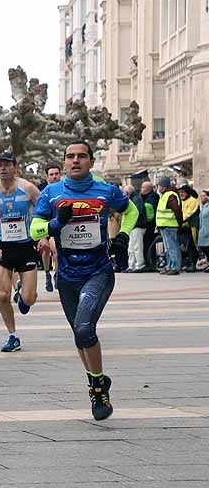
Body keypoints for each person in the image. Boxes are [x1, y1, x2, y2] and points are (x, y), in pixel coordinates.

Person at [31, 140, 138, 420]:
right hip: (66, 275)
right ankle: (97, 380)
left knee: (83, 328)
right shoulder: (51, 193)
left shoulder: (105, 190)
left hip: (98, 272)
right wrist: (55, 224)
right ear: (64, 162)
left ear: (91, 161)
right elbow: (35, 229)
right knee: (81, 336)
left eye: (81, 156)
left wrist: (123, 236)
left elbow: (131, 211)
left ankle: (98, 390)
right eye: (70, 156)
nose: (75, 160)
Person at [0, 152, 42, 353]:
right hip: (2, 246)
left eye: (6, 165)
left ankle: (23, 294)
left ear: (15, 167)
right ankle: (12, 336)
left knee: (29, 299)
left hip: (26, 246)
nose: (2, 168)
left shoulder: (27, 188)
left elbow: (43, 208)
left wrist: (43, 233)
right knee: (3, 295)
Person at [39, 164, 63, 290]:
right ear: (47, 177)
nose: (54, 177)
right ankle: (47, 273)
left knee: (56, 252)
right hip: (44, 225)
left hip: (58, 226)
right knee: (45, 250)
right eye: (51, 175)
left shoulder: (65, 189)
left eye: (56, 174)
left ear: (60, 174)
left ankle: (57, 274)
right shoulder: (42, 191)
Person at [155, 176, 183, 275]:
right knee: (168, 248)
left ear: (164, 186)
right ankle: (169, 266)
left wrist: (179, 223)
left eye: (160, 185)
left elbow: (177, 210)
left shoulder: (170, 195)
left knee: (172, 247)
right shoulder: (165, 195)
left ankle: (175, 267)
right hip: (165, 225)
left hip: (170, 226)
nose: (158, 187)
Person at [127, 180, 150, 272]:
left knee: (137, 246)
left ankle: (139, 265)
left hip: (138, 225)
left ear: (128, 192)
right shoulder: (133, 199)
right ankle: (131, 265)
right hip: (133, 226)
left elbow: (138, 212)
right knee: (131, 247)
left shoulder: (136, 199)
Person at [179, 185, 200, 271]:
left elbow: (188, 214)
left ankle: (193, 264)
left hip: (192, 226)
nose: (181, 194)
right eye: (180, 192)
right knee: (185, 246)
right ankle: (187, 263)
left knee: (192, 246)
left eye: (183, 192)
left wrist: (179, 220)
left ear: (187, 192)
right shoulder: (183, 201)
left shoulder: (193, 201)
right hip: (185, 226)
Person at [140, 180, 159, 270]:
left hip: (150, 225)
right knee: (145, 245)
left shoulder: (153, 197)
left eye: (143, 188)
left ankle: (151, 264)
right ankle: (148, 263)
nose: (141, 189)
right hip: (146, 225)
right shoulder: (142, 197)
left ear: (148, 189)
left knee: (149, 245)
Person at [198, 189, 209, 271]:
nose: (202, 197)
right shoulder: (203, 206)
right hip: (203, 231)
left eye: (204, 196)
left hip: (208, 231)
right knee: (204, 248)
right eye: (201, 196)